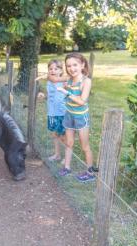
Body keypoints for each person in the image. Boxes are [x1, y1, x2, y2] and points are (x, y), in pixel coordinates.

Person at [48, 52, 97, 182]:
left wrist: (66, 92)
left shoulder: (86, 81)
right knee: (69, 143)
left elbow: (82, 101)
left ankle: (90, 172)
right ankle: (67, 167)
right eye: (68, 66)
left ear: (82, 65)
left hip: (81, 118)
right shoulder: (69, 79)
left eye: (75, 65)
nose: (71, 68)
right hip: (69, 115)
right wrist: (53, 78)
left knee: (84, 146)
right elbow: (55, 79)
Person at [36, 60, 66, 164]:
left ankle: (67, 157)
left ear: (61, 70)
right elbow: (51, 94)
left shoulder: (63, 81)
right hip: (51, 112)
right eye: (50, 69)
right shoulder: (49, 81)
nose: (53, 71)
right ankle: (57, 154)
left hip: (61, 112)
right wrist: (44, 96)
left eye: (56, 69)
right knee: (54, 134)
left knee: (63, 136)